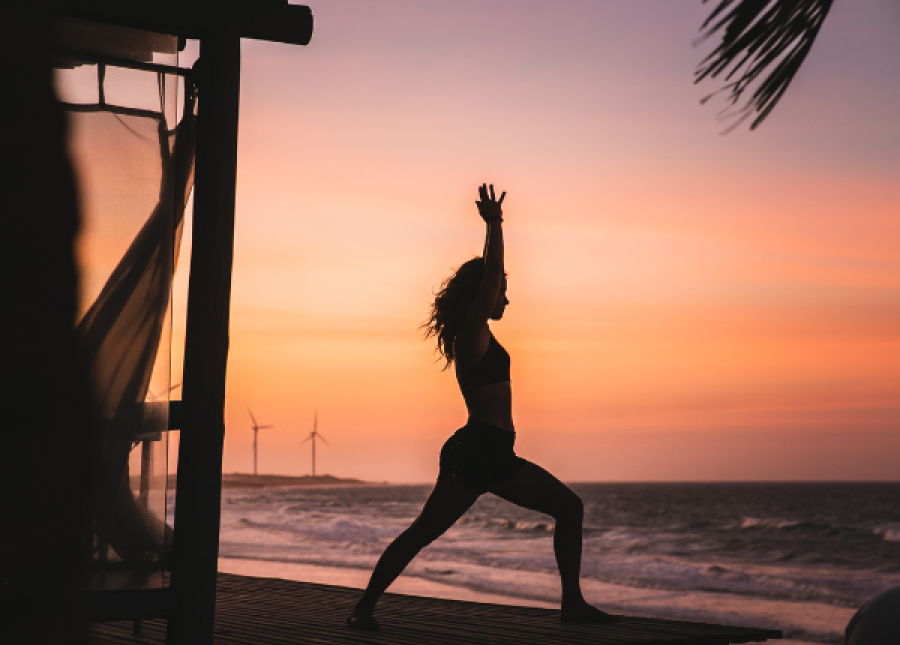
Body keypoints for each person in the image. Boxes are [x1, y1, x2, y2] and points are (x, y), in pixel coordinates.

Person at [347, 184, 616, 630]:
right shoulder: (472, 333)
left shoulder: (477, 335)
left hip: (487, 451)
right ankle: (364, 609)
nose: (505, 299)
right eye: (500, 293)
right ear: (483, 298)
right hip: (480, 451)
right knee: (566, 508)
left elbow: (490, 279)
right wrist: (495, 225)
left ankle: (365, 608)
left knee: (430, 531)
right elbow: (490, 275)